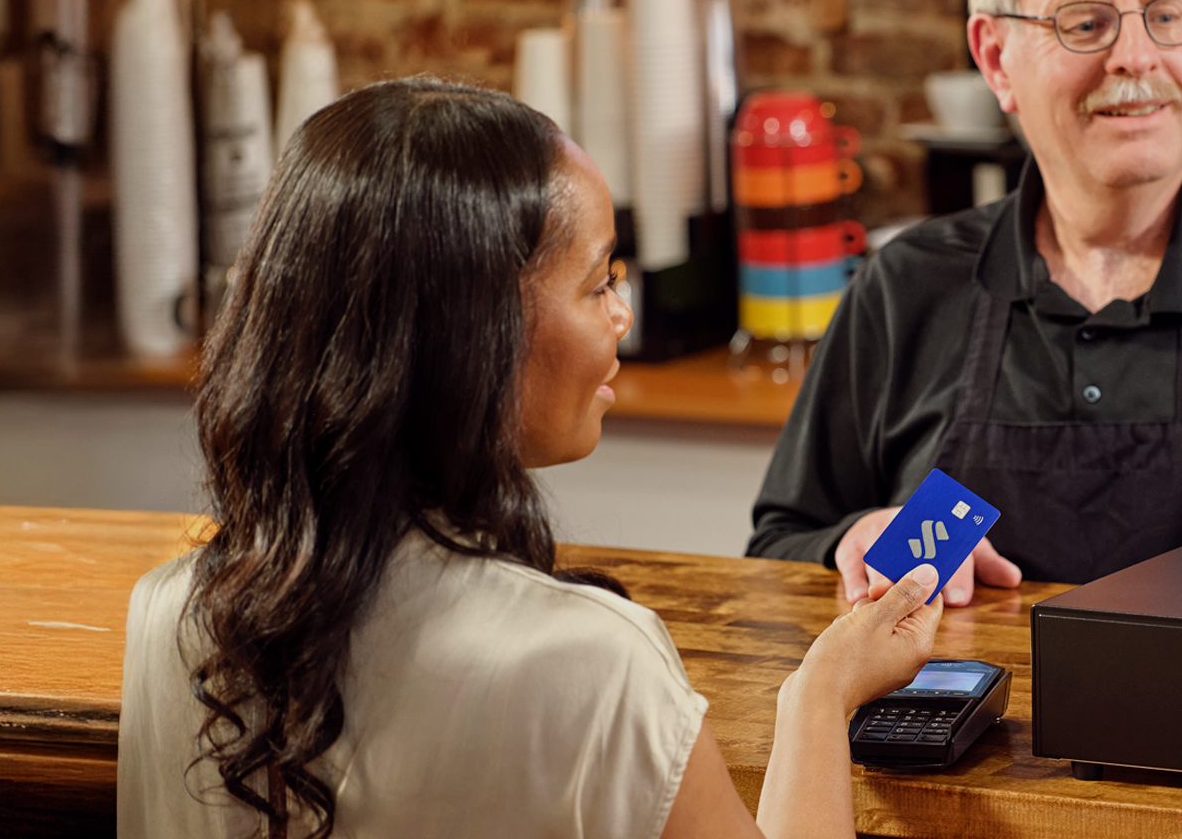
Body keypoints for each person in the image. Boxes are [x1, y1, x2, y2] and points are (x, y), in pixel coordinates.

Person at [118, 80, 943, 839]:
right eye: (598, 283)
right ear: (474, 337)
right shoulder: (591, 661)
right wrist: (822, 692)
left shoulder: (168, 616)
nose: (621, 316)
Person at [747, 0, 1182, 603]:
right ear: (995, 58)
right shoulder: (909, 289)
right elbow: (778, 554)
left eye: (1167, 15)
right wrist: (857, 539)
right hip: (969, 721)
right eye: (1085, 24)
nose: (1136, 57)